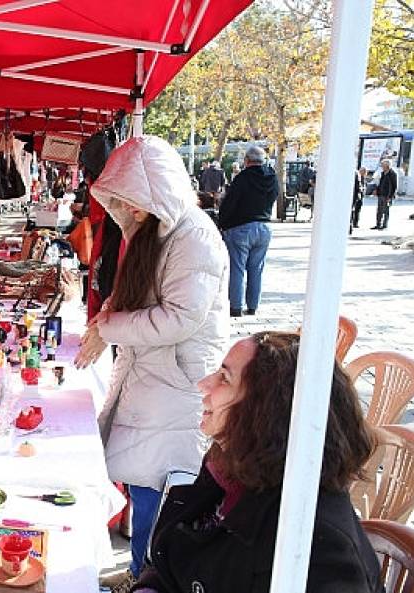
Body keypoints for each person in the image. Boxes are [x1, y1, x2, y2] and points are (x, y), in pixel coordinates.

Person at [74, 135, 229, 592]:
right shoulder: (150, 232)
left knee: (164, 492)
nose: (127, 207)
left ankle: (152, 576)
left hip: (180, 383)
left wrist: (111, 327)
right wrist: (107, 321)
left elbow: (180, 318)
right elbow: (131, 295)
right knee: (145, 485)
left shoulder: (195, 236)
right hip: (151, 378)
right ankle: (143, 569)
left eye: (130, 198)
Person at [133, 332, 382, 593]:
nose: (204, 384)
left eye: (225, 378)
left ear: (264, 411)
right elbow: (172, 557)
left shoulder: (313, 543)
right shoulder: (230, 466)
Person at [218, 145, 278, 317]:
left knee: (237, 268)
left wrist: (223, 224)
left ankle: (235, 307)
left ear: (246, 161)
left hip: (241, 227)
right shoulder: (273, 178)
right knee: (256, 268)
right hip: (264, 226)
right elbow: (274, 196)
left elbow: (230, 203)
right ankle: (253, 306)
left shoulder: (242, 178)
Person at [373, 159, 398, 230]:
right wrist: (376, 190)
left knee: (386, 211)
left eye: (383, 165)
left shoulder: (393, 173)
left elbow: (394, 186)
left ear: (387, 166)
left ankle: (384, 225)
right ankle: (378, 224)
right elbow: (380, 183)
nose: (382, 166)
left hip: (387, 195)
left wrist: (391, 196)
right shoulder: (382, 173)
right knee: (379, 210)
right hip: (381, 194)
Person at [352, 167, 367, 234]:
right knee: (354, 210)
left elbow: (362, 187)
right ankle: (353, 223)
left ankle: (355, 223)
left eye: (364, 172)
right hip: (356, 196)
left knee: (357, 210)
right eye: (362, 171)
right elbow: (359, 187)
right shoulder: (357, 176)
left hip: (359, 196)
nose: (363, 173)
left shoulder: (363, 178)